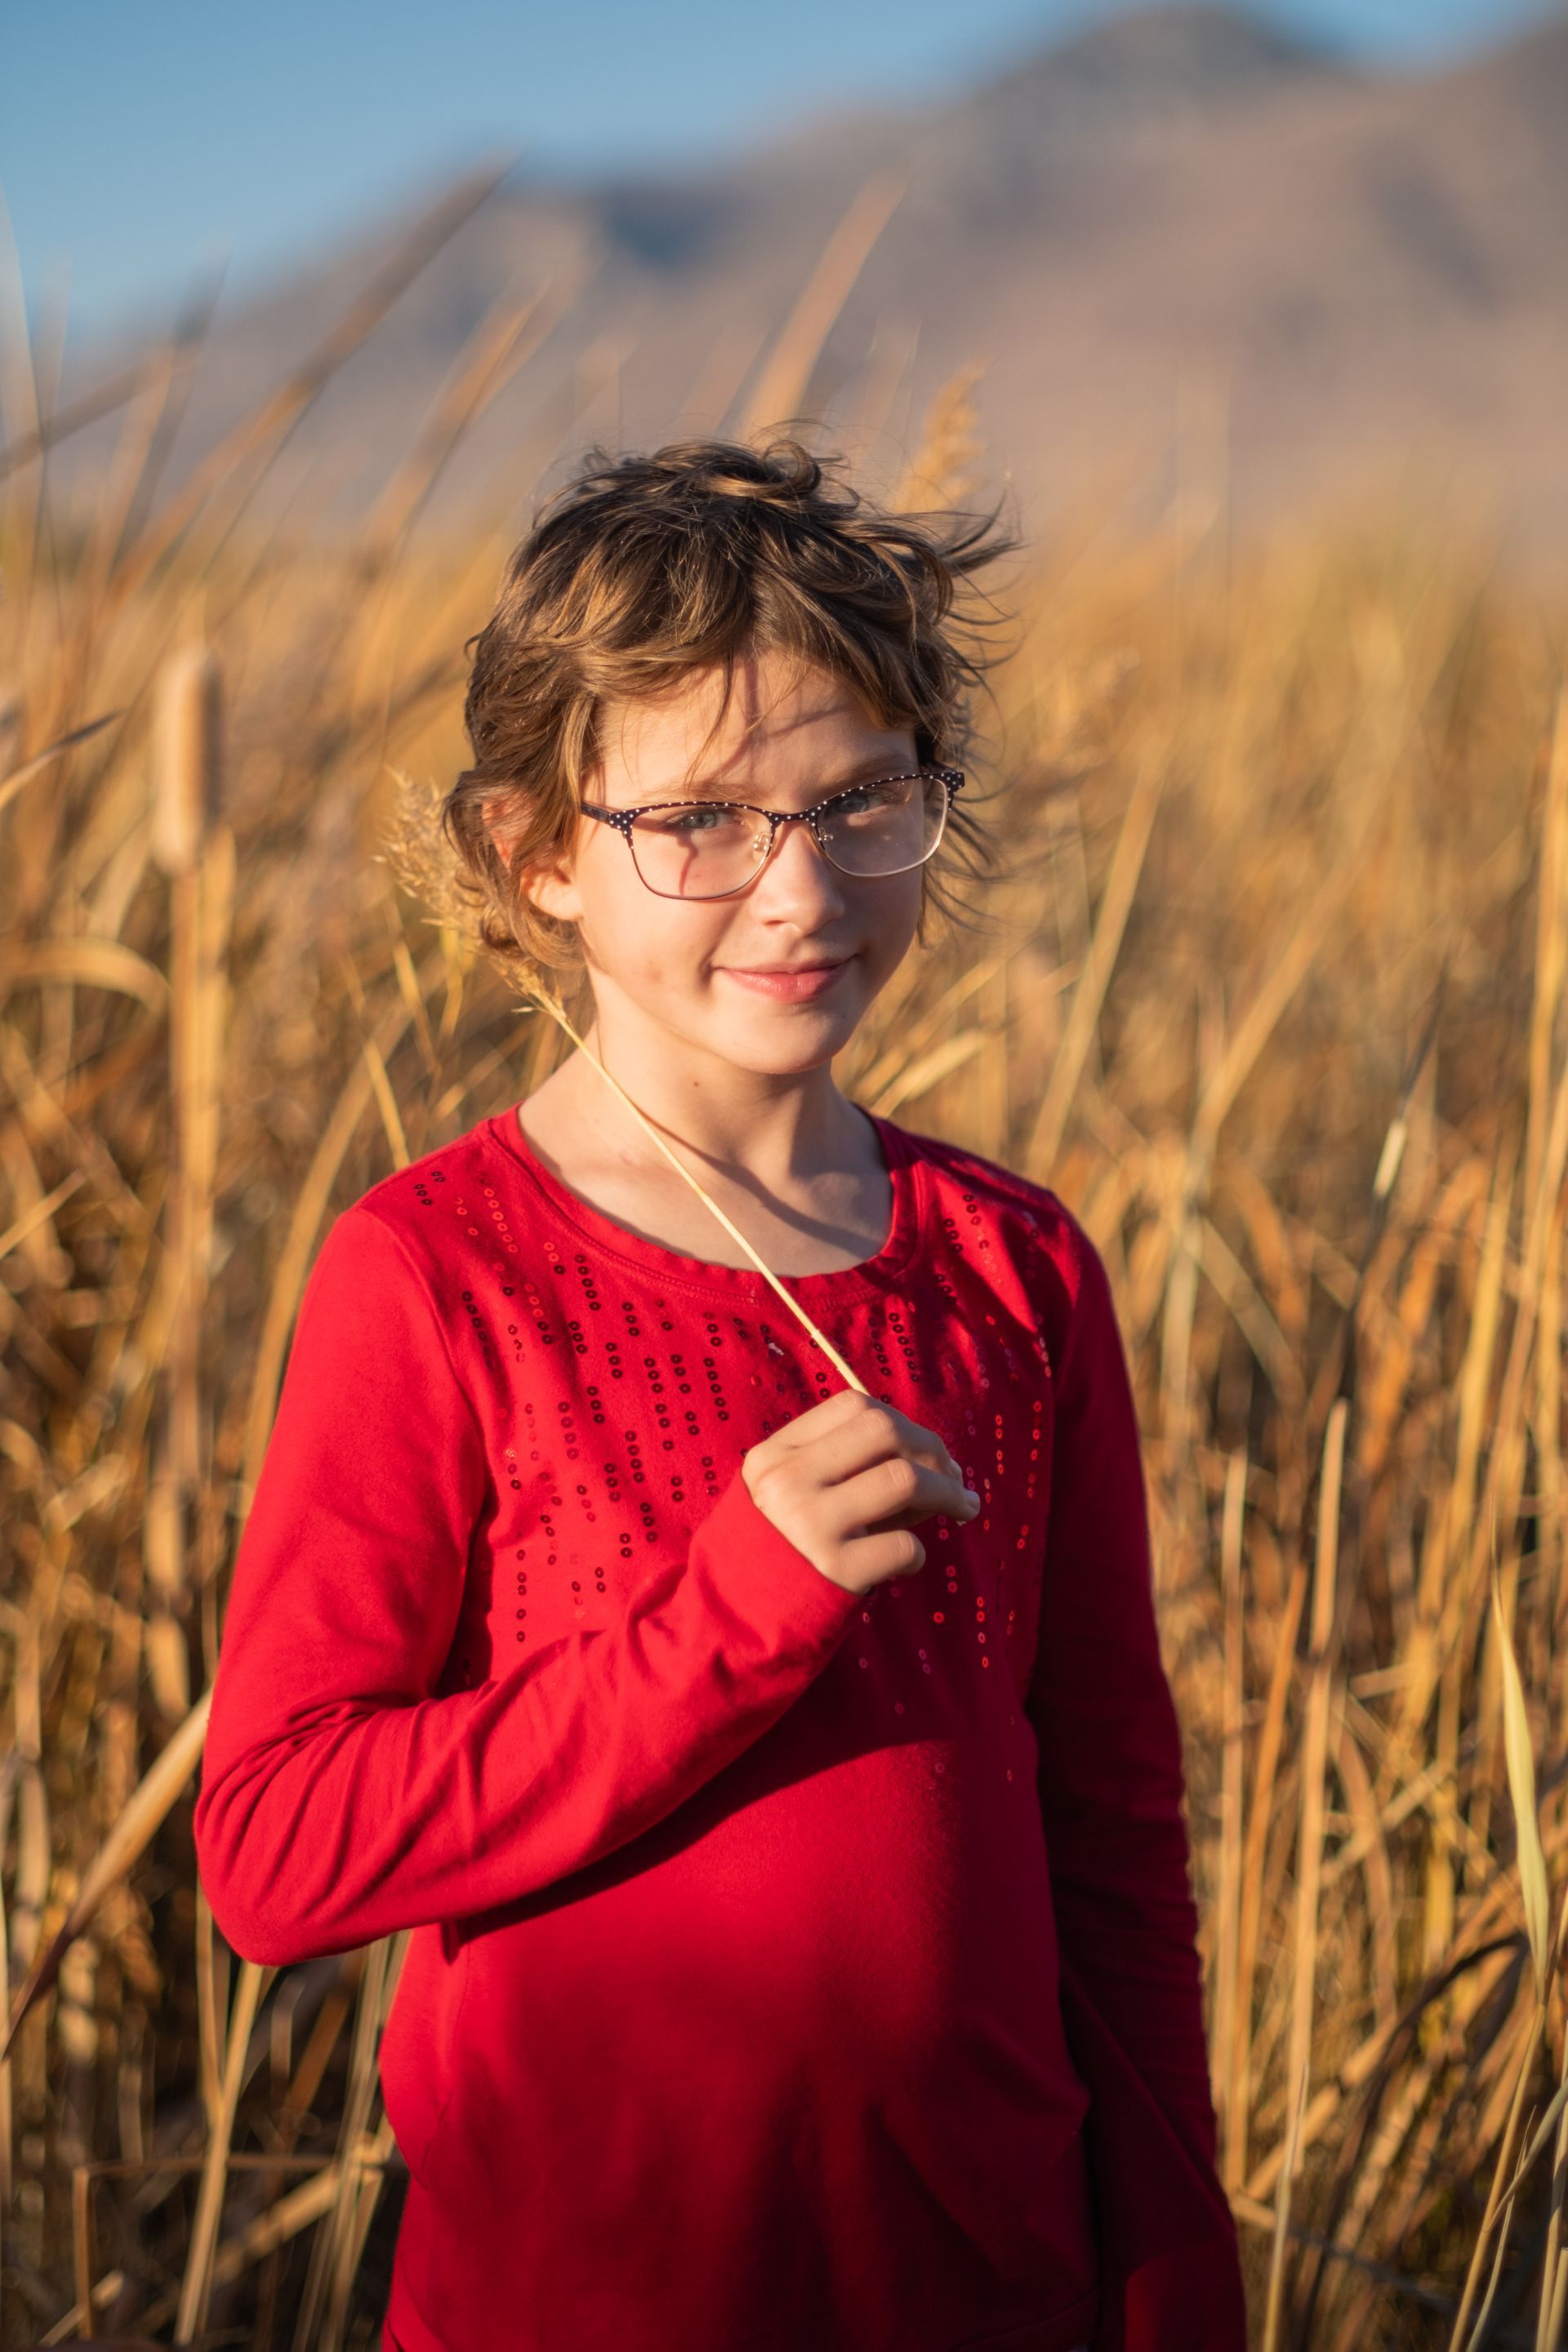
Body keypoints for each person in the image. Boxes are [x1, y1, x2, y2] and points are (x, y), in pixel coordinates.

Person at [194, 435, 1247, 2352]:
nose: (799, 888)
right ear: (539, 857)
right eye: (699, 822)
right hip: (580, 2304)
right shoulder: (441, 1274)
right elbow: (279, 1849)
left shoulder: (1014, 1272)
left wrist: (1179, 2288)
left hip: (982, 2290)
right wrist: (727, 1617)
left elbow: (1110, 1838)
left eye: (861, 799)